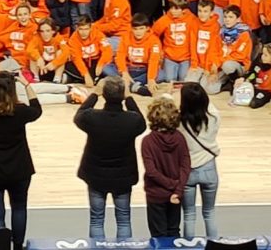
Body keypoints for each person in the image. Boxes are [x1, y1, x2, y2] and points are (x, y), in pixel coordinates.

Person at [0, 72, 42, 250]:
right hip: (19, 169)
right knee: (19, 208)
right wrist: (26, 85)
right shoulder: (21, 111)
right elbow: (37, 108)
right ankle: (18, 247)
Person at [73, 75, 147, 240]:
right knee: (124, 221)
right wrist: (128, 97)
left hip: (95, 176)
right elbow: (142, 122)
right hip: (123, 177)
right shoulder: (132, 120)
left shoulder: (92, 117)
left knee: (96, 220)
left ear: (104, 95)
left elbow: (79, 115)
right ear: (122, 95)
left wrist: (94, 94)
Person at [141, 96, 191, 239]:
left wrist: (172, 185)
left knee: (158, 236)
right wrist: (178, 189)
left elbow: (151, 171)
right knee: (174, 232)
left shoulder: (148, 141)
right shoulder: (180, 138)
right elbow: (185, 166)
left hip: (156, 195)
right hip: (175, 194)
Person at [178, 82, 220, 239]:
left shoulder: (178, 121)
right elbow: (209, 105)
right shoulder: (214, 116)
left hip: (187, 170)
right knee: (209, 213)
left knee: (189, 214)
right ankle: (214, 244)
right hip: (209, 169)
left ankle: (188, 246)